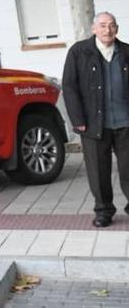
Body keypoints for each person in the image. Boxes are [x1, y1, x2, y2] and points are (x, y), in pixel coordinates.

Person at [62, 12, 129, 227]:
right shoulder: (79, 52)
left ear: (116, 29)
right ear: (93, 29)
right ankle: (103, 211)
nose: (107, 30)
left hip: (125, 123)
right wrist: (77, 119)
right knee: (98, 171)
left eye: (111, 26)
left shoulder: (126, 52)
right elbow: (69, 87)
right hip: (93, 124)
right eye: (102, 26)